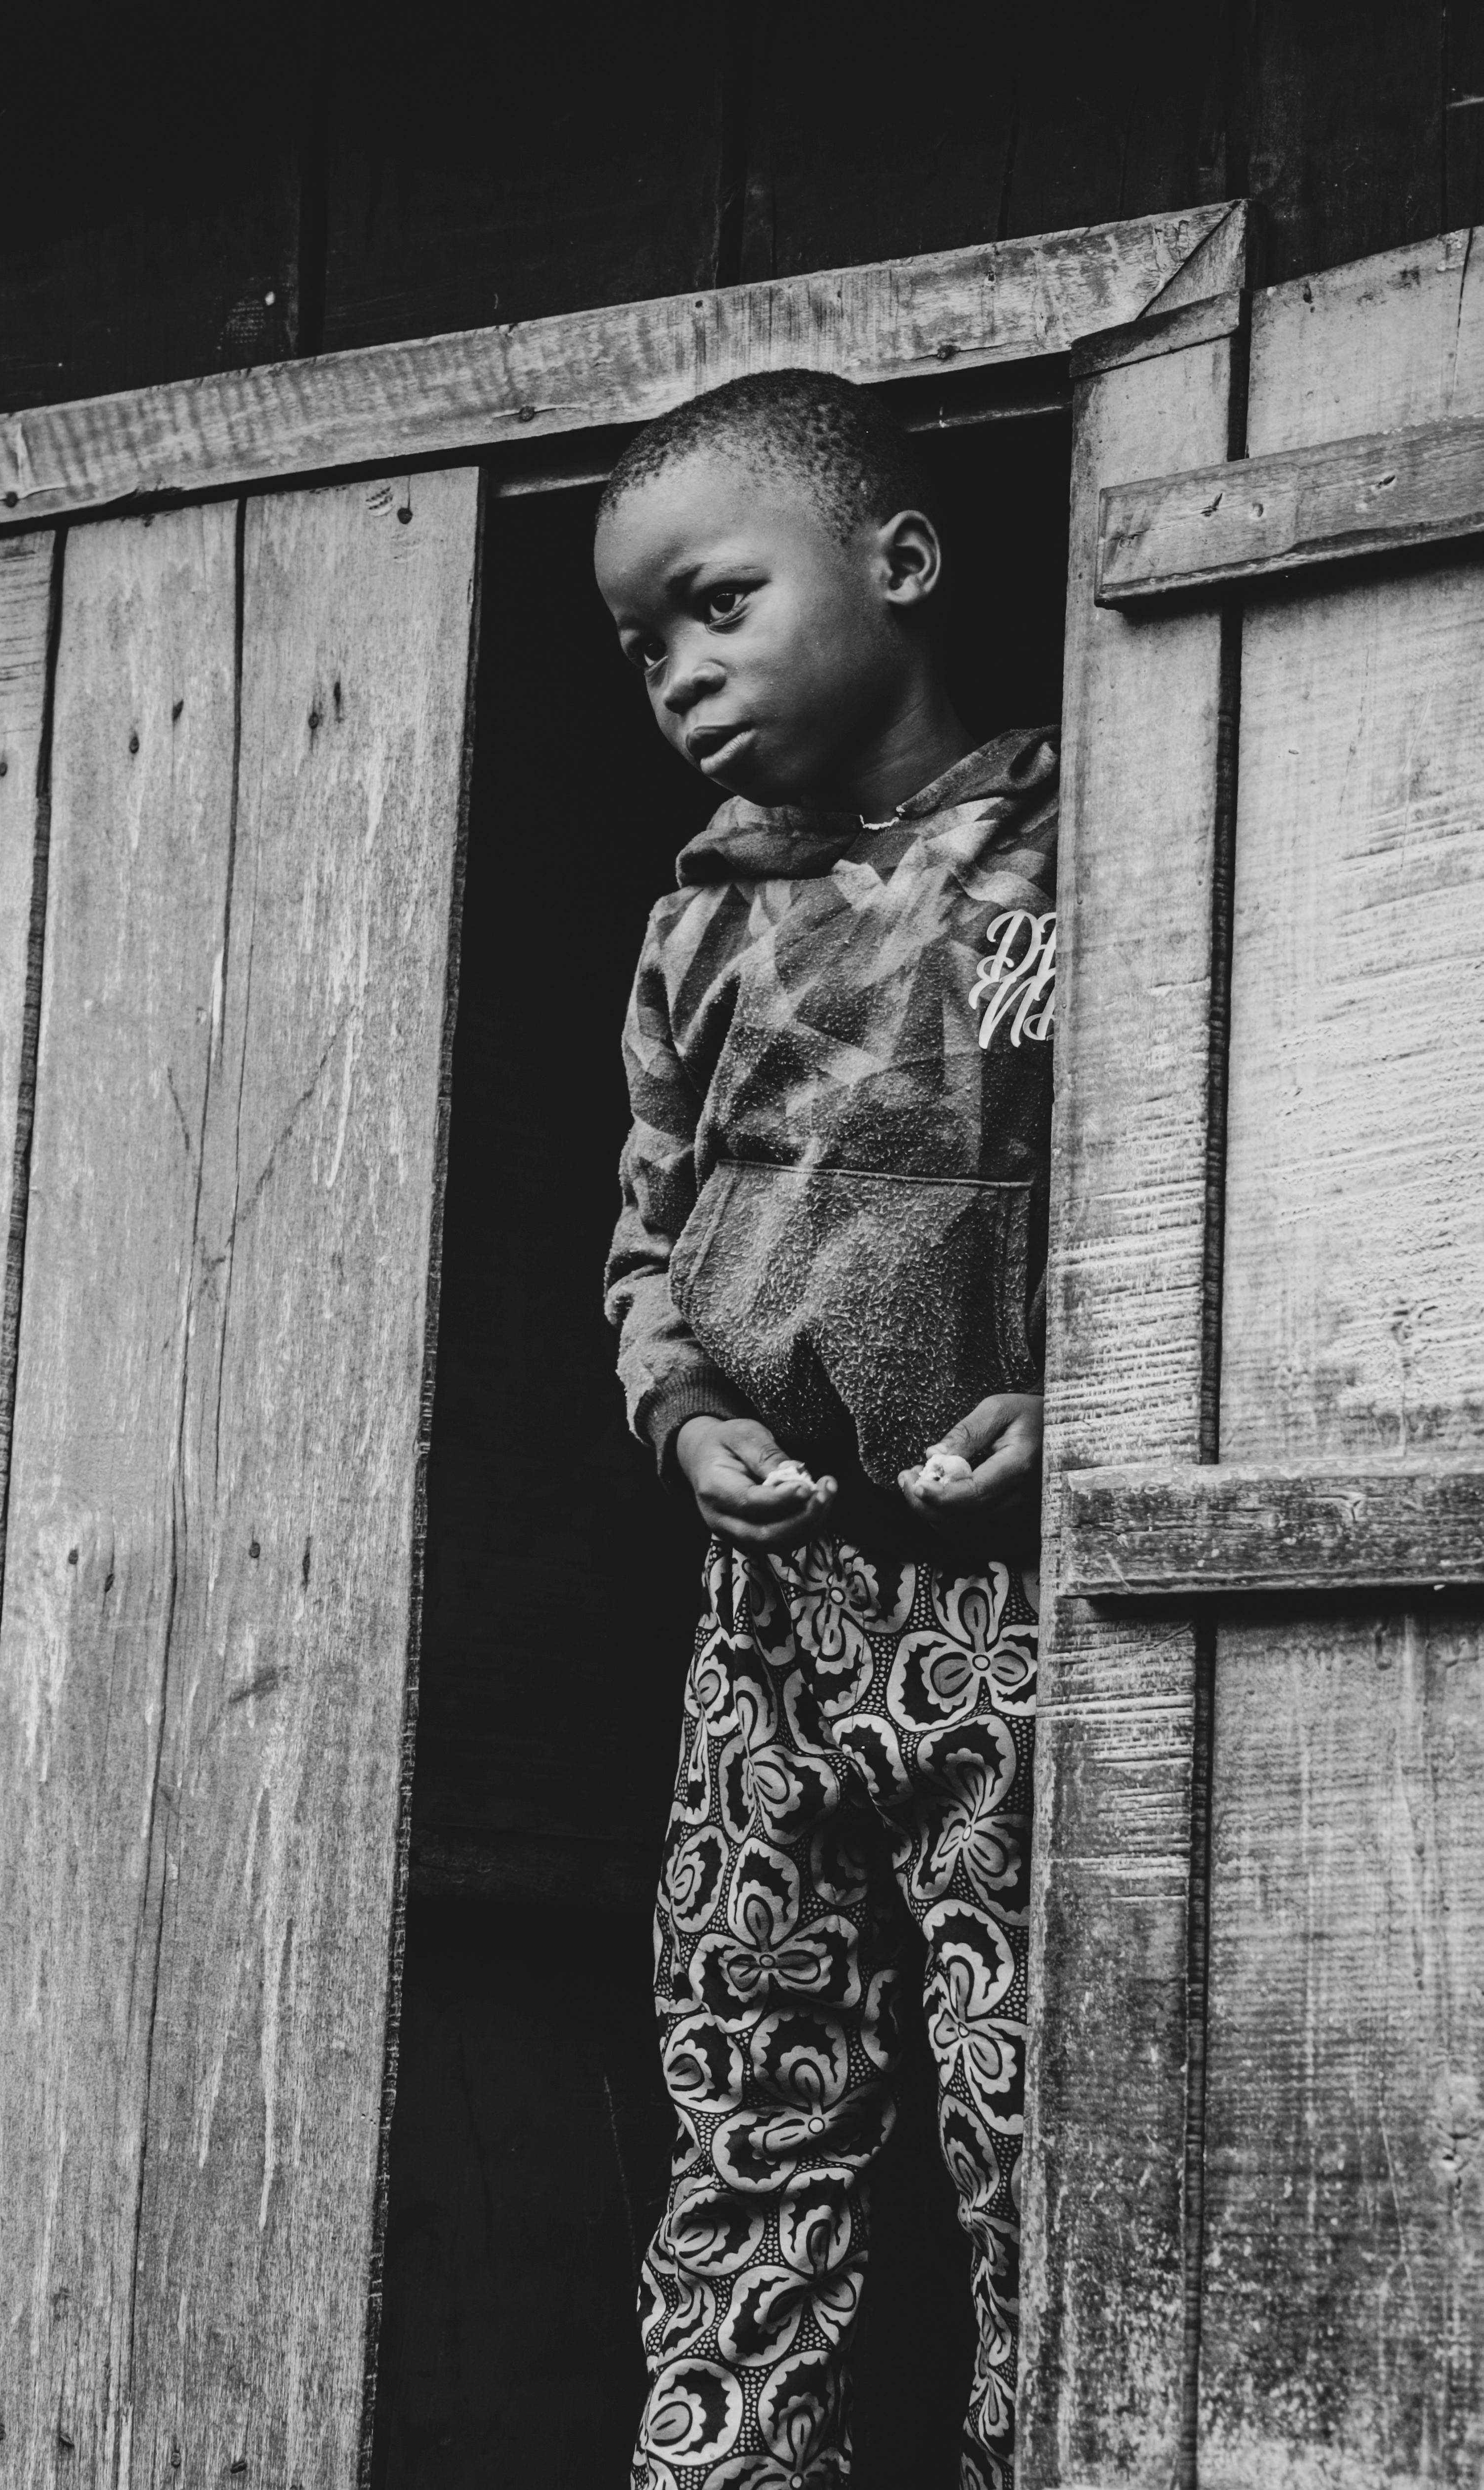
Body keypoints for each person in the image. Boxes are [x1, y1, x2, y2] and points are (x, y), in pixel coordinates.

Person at [596, 368, 1057, 2490]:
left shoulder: (1075, 852)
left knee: (1034, 2124)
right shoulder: (697, 917)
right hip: (767, 1621)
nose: (681, 674)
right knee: (753, 2113)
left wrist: (1071, 1402)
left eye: (716, 604)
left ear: (901, 561)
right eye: (643, 647)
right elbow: (645, 1242)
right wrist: (682, 1411)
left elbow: (1182, 1194)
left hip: (1012, 1621)